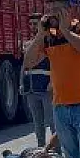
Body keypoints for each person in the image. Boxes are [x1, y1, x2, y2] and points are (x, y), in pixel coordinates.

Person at [24, 0, 80, 158]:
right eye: (49, 11)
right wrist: (39, 35)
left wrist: (65, 31)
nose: (52, 14)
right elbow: (28, 62)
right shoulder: (49, 36)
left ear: (68, 11)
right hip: (61, 107)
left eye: (56, 10)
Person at [20, 13, 55, 148]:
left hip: (46, 87)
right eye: (31, 24)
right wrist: (21, 82)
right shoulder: (29, 43)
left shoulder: (50, 41)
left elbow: (54, 62)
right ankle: (41, 148)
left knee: (52, 121)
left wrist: (52, 82)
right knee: (37, 122)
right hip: (32, 88)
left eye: (36, 24)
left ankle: (56, 150)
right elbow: (25, 64)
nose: (33, 27)